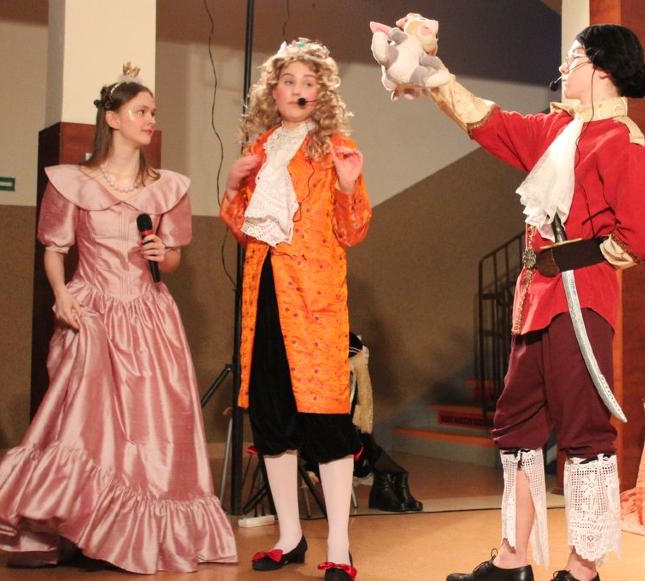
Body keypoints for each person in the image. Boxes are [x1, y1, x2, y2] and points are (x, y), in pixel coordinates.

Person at [391, 23, 645, 581]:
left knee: (584, 431)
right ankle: (512, 559)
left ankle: (583, 568)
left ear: (601, 69)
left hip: (581, 302)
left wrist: (568, 258)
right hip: (533, 301)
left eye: (574, 57)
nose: (564, 66)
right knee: (516, 426)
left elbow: (638, 239)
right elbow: (490, 123)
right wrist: (432, 73)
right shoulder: (557, 129)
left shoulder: (625, 142)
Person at [0, 66, 237, 574]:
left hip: (148, 315)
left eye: (153, 112)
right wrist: (61, 297)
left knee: (146, 428)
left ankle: (123, 535)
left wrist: (163, 254)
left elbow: (173, 259)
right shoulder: (71, 182)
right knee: (85, 424)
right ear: (112, 119)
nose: (150, 120)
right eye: (141, 111)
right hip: (91, 311)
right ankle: (73, 527)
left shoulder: (168, 187)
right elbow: (55, 249)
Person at [219, 38, 370, 581]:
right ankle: (289, 537)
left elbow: (353, 230)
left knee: (326, 421)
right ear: (274, 91)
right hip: (264, 297)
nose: (298, 91)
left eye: (309, 83)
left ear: (321, 94)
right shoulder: (260, 148)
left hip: (313, 302)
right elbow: (246, 229)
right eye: (289, 82)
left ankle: (340, 547)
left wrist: (348, 187)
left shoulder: (336, 148)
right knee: (272, 418)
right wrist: (233, 185)